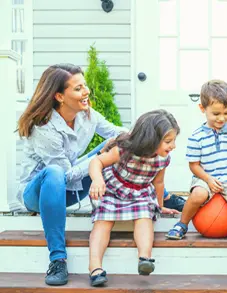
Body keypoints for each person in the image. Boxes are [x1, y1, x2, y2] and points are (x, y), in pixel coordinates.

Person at [16, 64, 129, 286]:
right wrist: (100, 156)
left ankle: (159, 198)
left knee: (121, 144)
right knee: (56, 171)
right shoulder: (44, 127)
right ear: (59, 96)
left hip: (69, 192)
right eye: (78, 88)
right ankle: (57, 259)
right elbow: (65, 176)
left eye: (84, 85)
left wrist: (148, 132)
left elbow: (117, 132)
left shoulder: (87, 114)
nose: (86, 91)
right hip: (37, 194)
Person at [88, 109, 179, 286]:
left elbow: (158, 183)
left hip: (140, 192)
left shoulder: (163, 159)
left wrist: (159, 206)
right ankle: (95, 267)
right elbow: (96, 161)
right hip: (112, 190)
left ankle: (145, 258)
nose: (173, 146)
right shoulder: (122, 150)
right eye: (168, 141)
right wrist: (97, 180)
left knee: (145, 216)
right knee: (103, 222)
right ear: (150, 139)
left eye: (174, 141)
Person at [165, 80, 227, 240]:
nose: (222, 118)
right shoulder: (197, 136)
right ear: (202, 109)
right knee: (197, 195)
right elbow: (194, 166)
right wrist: (208, 179)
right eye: (216, 114)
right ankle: (182, 224)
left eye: (226, 113)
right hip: (205, 178)